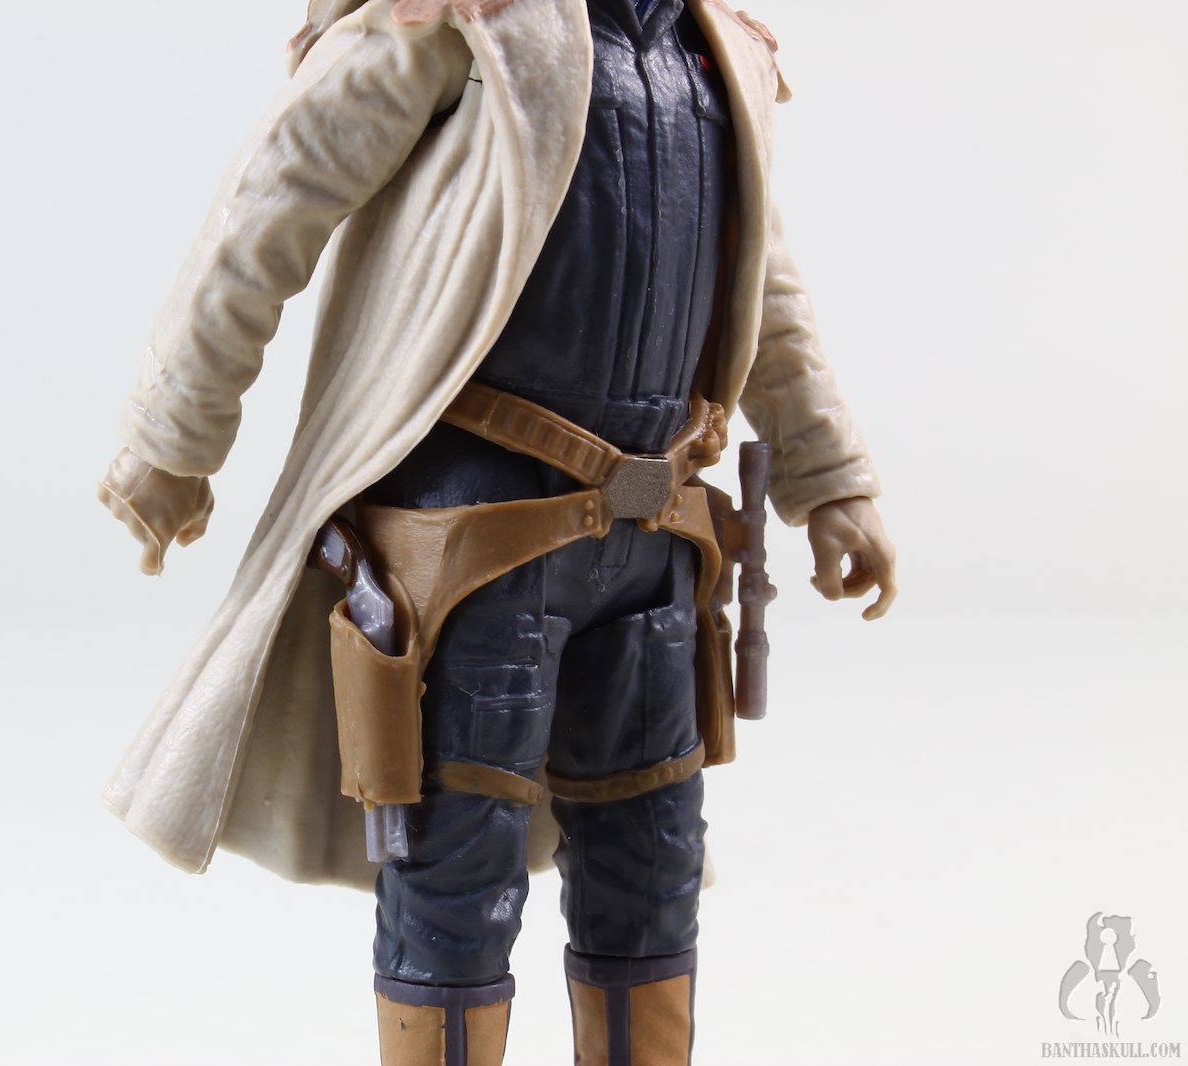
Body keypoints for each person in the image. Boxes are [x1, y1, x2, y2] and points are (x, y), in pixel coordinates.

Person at [97, 1, 897, 1062]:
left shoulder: (714, 53)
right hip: (474, 547)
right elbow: (277, 196)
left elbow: (762, 277)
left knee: (653, 871)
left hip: (654, 540)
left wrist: (828, 477)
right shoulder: (463, 23)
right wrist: (172, 436)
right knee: (456, 880)